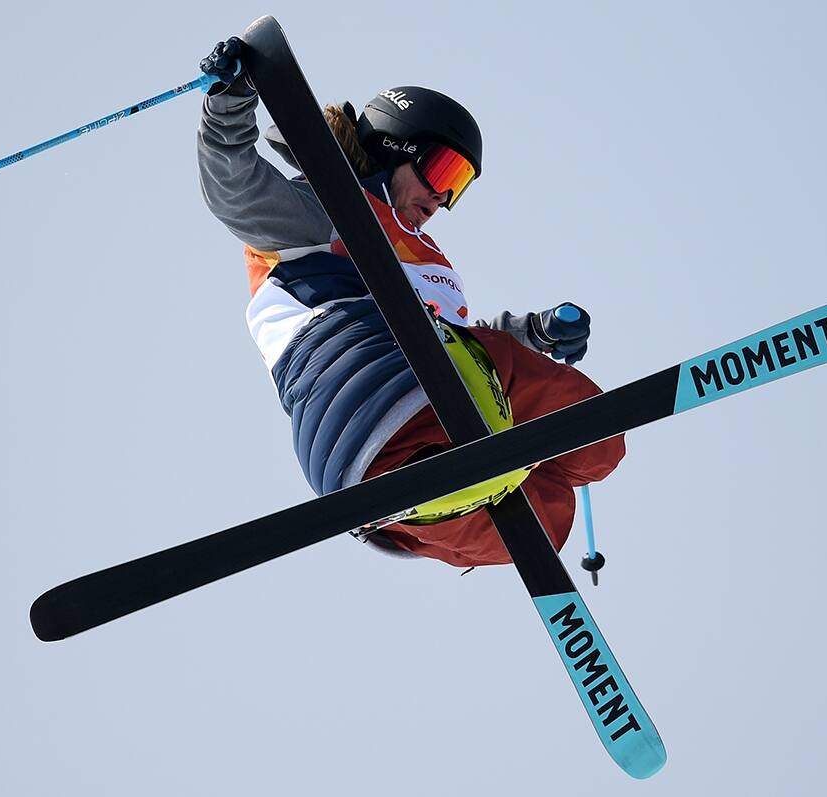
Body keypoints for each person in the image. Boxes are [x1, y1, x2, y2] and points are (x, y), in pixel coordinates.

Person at [197, 38, 624, 568]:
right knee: (600, 436)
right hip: (369, 378)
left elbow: (454, 345)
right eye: (443, 172)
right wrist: (228, 100)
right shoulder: (323, 207)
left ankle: (411, 505)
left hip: (353, 468)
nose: (442, 199)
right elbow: (234, 186)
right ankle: (490, 465)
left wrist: (533, 332)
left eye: (458, 188)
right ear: (396, 147)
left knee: (548, 516)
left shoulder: (429, 262)